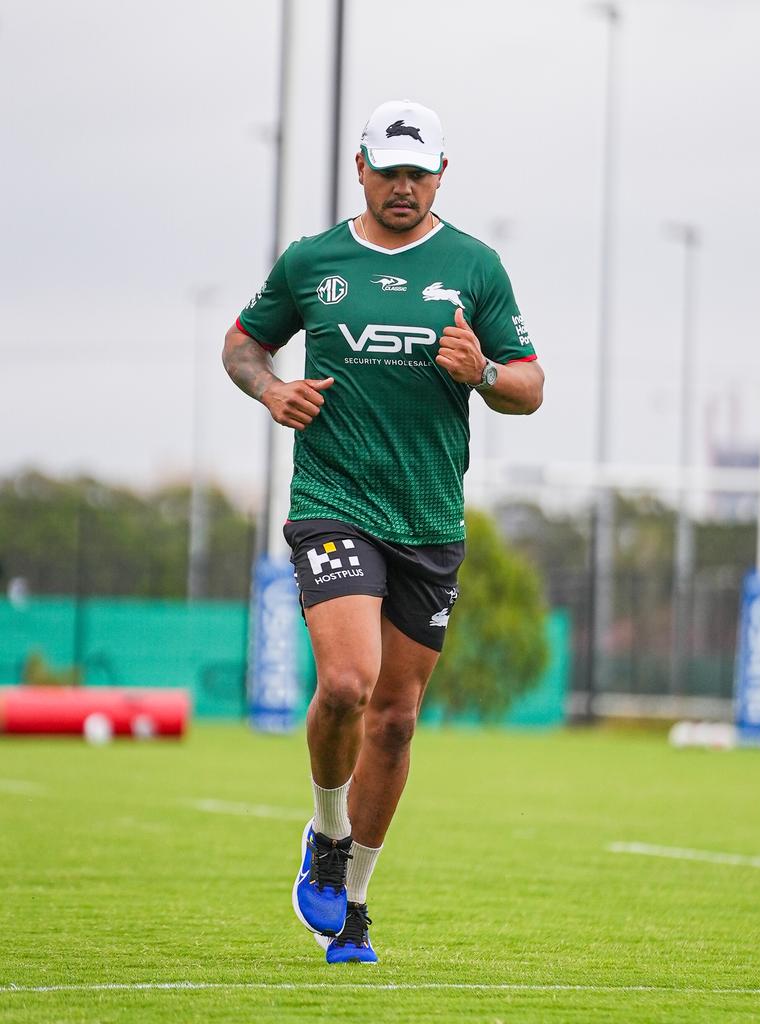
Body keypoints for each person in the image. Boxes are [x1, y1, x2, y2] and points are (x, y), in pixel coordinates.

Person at [222, 99, 544, 964]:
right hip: (334, 498)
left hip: (430, 517)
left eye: (419, 172)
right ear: (359, 168)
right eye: (388, 170)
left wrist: (484, 373)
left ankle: (354, 901)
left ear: (441, 175)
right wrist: (269, 390)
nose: (403, 186)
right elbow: (243, 346)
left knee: (395, 720)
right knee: (348, 684)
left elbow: (530, 384)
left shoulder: (476, 266)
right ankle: (326, 835)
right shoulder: (313, 262)